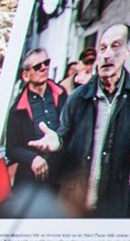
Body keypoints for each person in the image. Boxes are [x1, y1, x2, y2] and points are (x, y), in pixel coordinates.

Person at [43, 22, 130, 217]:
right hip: (73, 204)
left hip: (116, 208)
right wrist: (57, 144)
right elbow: (63, 139)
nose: (107, 54)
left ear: (127, 51)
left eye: (115, 46)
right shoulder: (77, 98)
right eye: (102, 48)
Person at [3, 45, 67, 190]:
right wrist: (33, 158)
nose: (44, 68)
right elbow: (11, 149)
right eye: (38, 66)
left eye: (47, 63)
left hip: (61, 177)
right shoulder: (17, 109)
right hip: (32, 180)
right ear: (26, 75)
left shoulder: (61, 95)